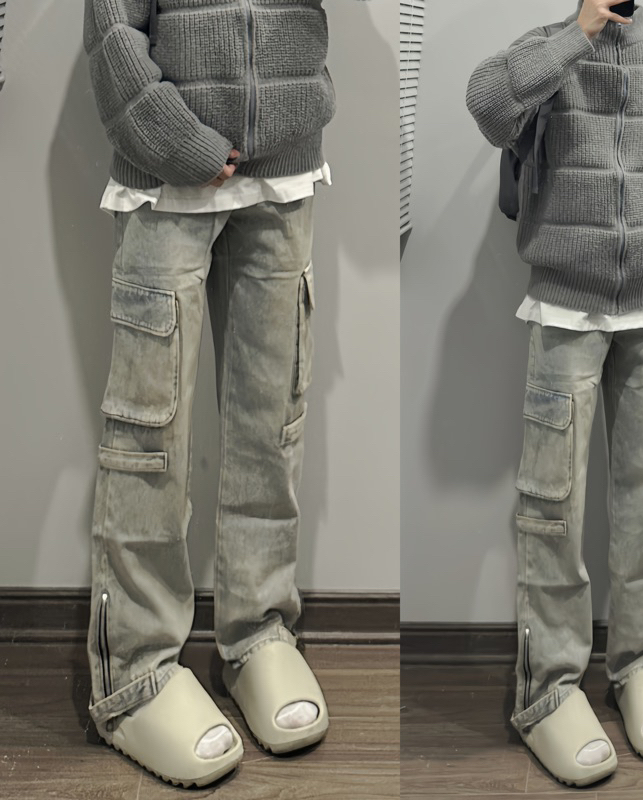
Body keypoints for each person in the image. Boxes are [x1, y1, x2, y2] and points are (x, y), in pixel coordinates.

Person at [83, 0, 363, 787]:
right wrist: (177, 140)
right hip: (164, 179)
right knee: (150, 434)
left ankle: (258, 633)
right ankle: (134, 673)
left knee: (271, 421)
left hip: (286, 173)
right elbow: (110, 29)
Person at [467, 0, 643, 788]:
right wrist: (578, 32)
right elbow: (488, 106)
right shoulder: (545, 50)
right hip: (566, 311)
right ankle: (547, 690)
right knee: (553, 507)